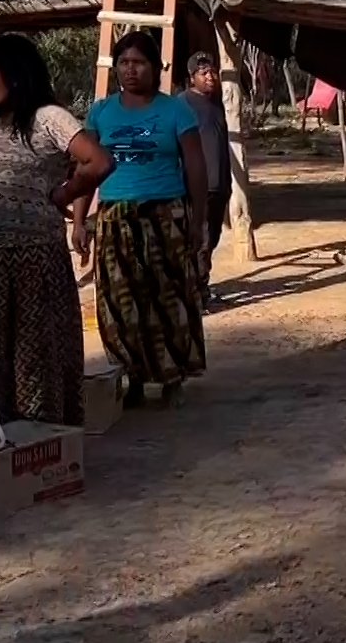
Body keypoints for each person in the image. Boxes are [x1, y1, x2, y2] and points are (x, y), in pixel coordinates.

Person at [0, 34, 113, 427]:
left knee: (35, 362)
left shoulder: (49, 118)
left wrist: (62, 194)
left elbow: (99, 162)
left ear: (15, 75)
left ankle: (41, 443)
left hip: (32, 262)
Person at [72, 31, 212, 406]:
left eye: (139, 62)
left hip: (165, 214)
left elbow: (196, 168)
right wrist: (79, 220)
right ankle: (131, 377)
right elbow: (86, 169)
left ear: (155, 67)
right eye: (124, 63)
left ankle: (171, 378)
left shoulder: (176, 111)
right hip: (116, 218)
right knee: (119, 302)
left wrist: (198, 221)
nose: (130, 70)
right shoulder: (101, 112)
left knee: (169, 296)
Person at [182, 51, 234, 295]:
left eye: (212, 72)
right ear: (192, 77)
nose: (210, 77)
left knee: (212, 238)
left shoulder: (218, 103)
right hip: (196, 187)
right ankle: (197, 292)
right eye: (203, 73)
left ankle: (200, 286)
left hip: (219, 185)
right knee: (200, 240)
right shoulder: (182, 104)